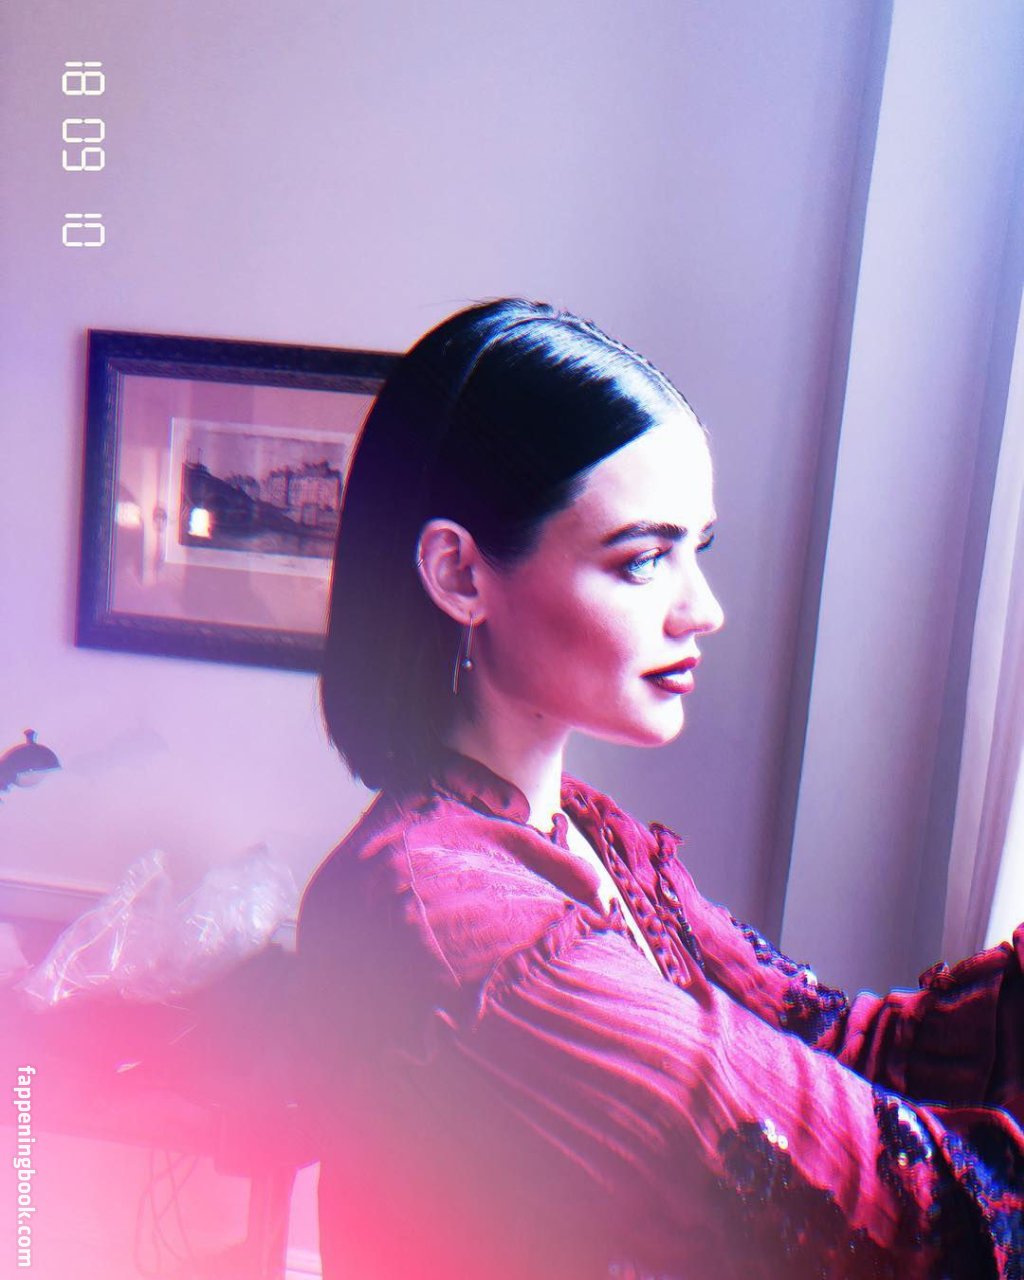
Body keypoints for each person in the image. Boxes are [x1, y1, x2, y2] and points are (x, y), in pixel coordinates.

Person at [295, 298, 1023, 1279]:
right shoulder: (453, 916)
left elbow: (836, 1039)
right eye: (643, 560)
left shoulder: (591, 835)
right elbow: (903, 1213)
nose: (703, 609)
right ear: (460, 574)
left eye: (696, 549)